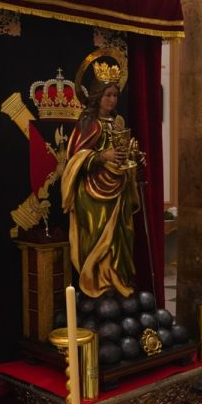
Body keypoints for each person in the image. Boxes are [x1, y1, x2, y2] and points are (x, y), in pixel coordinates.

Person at [61, 65, 143, 298]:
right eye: (108, 95)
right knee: (98, 238)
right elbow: (74, 158)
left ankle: (117, 280)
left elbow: (123, 152)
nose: (112, 100)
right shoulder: (88, 123)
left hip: (119, 190)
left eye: (115, 95)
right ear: (97, 96)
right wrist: (102, 156)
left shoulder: (118, 122)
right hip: (93, 194)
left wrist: (134, 155)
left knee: (121, 237)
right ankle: (97, 283)